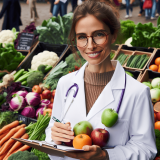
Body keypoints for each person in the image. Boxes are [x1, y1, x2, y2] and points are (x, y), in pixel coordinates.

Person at [45, 0, 157, 160]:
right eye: (82, 37)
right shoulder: (65, 83)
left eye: (98, 35)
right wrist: (53, 136)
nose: (90, 46)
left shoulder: (137, 92)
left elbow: (146, 149)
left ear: (113, 35)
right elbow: (51, 132)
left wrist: (106, 155)